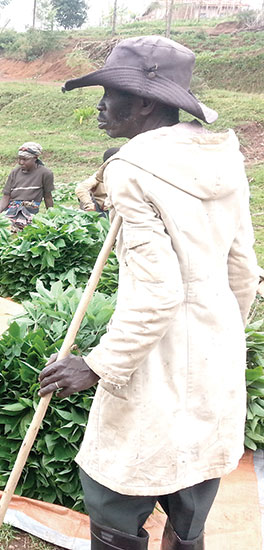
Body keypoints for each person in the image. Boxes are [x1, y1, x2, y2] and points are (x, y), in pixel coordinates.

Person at [38, 36, 259, 550]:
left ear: (144, 103)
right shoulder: (224, 160)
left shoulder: (133, 171)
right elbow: (244, 270)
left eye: (110, 93)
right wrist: (220, 335)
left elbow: (158, 293)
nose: (99, 106)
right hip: (215, 344)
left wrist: (95, 365)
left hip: (152, 355)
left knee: (114, 486)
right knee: (194, 483)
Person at [0, 142, 54, 231]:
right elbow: (6, 195)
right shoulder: (15, 172)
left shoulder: (45, 173)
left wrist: (52, 217)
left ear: (35, 158)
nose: (21, 162)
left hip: (30, 211)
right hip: (11, 210)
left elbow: (48, 197)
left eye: (25, 159)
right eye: (19, 159)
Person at [75, 147, 120, 214]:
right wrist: (89, 204)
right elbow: (81, 188)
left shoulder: (127, 175)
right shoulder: (99, 175)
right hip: (100, 210)